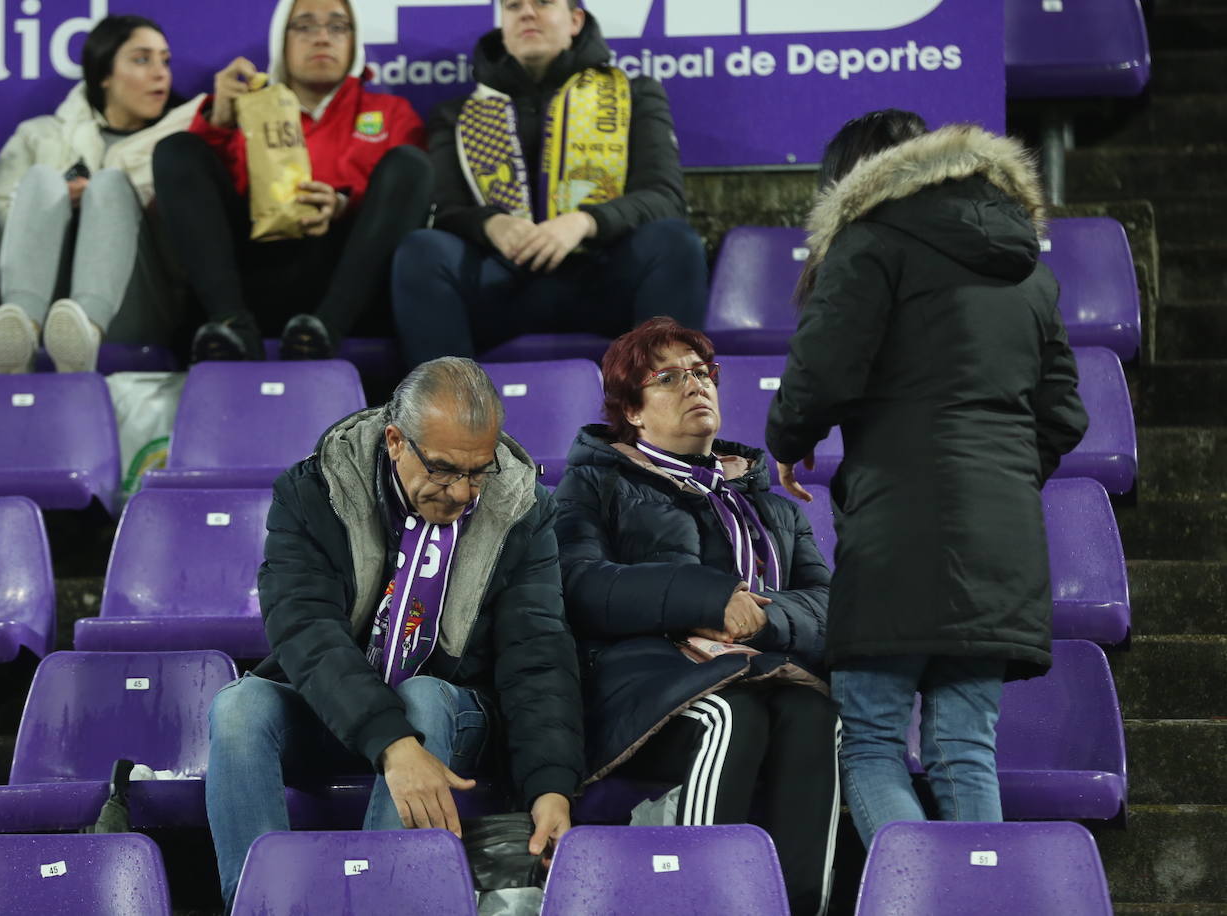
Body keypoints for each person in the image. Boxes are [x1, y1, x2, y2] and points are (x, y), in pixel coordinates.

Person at [765, 110, 1089, 849]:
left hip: (898, 532)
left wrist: (788, 438)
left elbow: (826, 367)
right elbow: (1064, 413)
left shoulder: (871, 241)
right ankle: (983, 898)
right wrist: (1003, 472)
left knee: (873, 744)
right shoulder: (1029, 267)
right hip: (1002, 536)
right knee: (965, 747)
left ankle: (925, 901)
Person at [205, 356, 583, 908]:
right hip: (343, 710)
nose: (461, 492)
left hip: (451, 718)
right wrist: (392, 743)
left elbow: (538, 655)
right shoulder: (317, 491)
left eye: (478, 472)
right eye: (444, 470)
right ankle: (263, 904)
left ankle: (376, 902)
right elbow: (305, 629)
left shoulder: (522, 511)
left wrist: (551, 785)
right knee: (238, 707)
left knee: (424, 697)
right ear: (395, 441)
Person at [554, 317, 839, 915]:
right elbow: (578, 584)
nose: (695, 384)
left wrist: (765, 620)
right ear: (631, 411)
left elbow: (830, 605)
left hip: (759, 670)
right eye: (668, 377)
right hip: (641, 687)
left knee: (818, 712)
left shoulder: (772, 507)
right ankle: (694, 904)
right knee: (726, 718)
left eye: (702, 371)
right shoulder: (591, 484)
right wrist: (708, 600)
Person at [390, 0, 707, 367]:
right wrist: (492, 224)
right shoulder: (457, 114)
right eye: (513, 6)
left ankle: (665, 408)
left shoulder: (633, 94)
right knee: (421, 250)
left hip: (602, 276)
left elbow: (664, 197)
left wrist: (584, 222)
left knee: (675, 242)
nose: (527, 13)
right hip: (501, 282)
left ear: (575, 20)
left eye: (542, 2)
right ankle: (446, 413)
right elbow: (445, 211)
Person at [153, 0, 429, 363]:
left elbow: (404, 205)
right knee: (176, 150)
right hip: (257, 274)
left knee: (411, 165)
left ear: (353, 40)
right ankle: (231, 324)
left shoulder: (392, 113)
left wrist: (345, 205)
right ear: (281, 40)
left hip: (346, 280)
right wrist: (218, 125)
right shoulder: (247, 109)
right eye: (305, 26)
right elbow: (205, 207)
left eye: (337, 26)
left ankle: (325, 329)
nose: (322, 38)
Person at [0, 15, 202, 374]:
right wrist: (57, 208)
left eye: (165, 60)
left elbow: (187, 257)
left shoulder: (179, 146)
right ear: (104, 74)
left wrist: (116, 206)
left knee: (110, 185)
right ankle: (21, 329)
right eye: (142, 59)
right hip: (34, 288)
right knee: (41, 180)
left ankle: (87, 331)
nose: (161, 73)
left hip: (137, 302)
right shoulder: (38, 136)